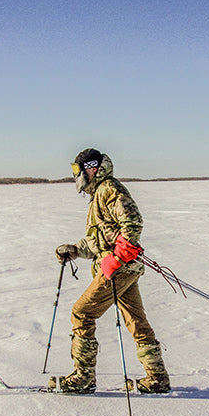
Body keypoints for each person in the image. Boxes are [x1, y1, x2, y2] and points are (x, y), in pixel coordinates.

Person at [50, 148, 171, 394]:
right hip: (125, 269)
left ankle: (83, 378)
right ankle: (157, 378)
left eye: (78, 170)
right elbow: (98, 241)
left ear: (92, 168)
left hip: (118, 271)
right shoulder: (98, 195)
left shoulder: (109, 189)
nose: (77, 175)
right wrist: (75, 250)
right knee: (137, 321)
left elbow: (133, 223)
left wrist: (116, 259)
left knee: (81, 313)